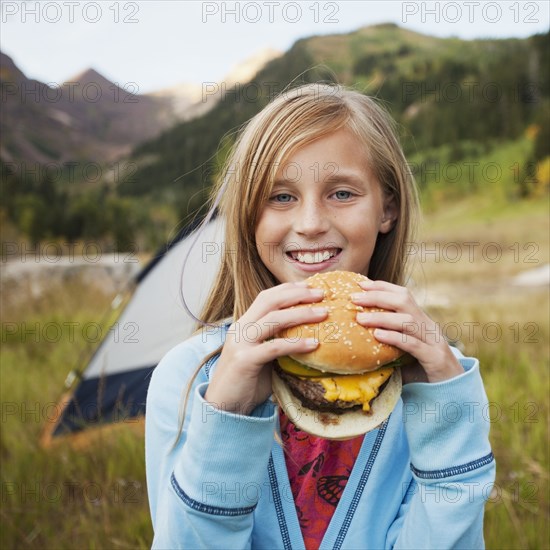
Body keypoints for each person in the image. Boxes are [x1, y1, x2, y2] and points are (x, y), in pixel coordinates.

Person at [145, 83, 495, 549]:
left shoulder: (431, 377)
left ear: (386, 208)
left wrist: (448, 415)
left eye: (342, 193)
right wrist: (225, 414)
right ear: (249, 215)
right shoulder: (189, 379)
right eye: (281, 197)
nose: (310, 223)